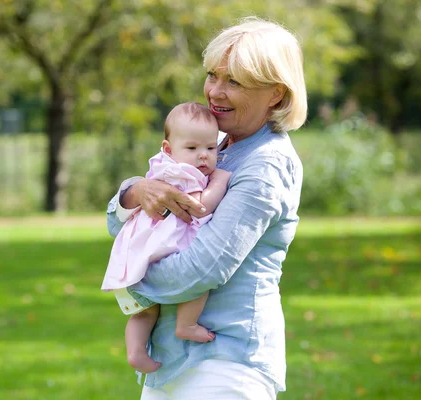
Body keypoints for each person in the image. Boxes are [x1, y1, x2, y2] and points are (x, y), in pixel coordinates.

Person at [106, 16, 307, 399]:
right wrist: (135, 191)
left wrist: (128, 274)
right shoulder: (210, 146)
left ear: (276, 94)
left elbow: (201, 270)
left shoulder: (266, 163)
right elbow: (120, 224)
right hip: (170, 360)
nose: (215, 91)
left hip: (224, 362)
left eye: (234, 81)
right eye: (213, 75)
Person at [102, 102, 232, 374]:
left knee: (145, 312)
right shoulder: (186, 174)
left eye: (210, 148)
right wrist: (219, 182)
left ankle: (136, 352)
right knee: (199, 283)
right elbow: (199, 207)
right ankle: (186, 325)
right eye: (193, 149)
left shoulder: (163, 166)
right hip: (164, 248)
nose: (204, 157)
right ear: (168, 149)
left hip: (139, 253)